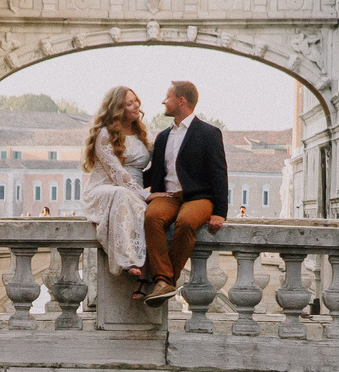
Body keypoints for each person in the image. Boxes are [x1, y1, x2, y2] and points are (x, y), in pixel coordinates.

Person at [140, 79, 229, 301]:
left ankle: (165, 281)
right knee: (151, 217)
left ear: (181, 100)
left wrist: (220, 212)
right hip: (168, 195)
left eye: (167, 97)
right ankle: (164, 280)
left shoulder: (209, 133)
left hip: (199, 197)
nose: (163, 101)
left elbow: (219, 172)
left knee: (187, 221)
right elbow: (154, 173)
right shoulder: (162, 136)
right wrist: (121, 181)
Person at [79, 85, 151, 291]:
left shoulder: (142, 134)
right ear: (118, 108)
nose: (136, 105)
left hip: (132, 190)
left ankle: (146, 276)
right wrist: (144, 194)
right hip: (104, 189)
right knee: (122, 194)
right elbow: (116, 173)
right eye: (129, 103)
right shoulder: (104, 134)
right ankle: (125, 259)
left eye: (136, 100)